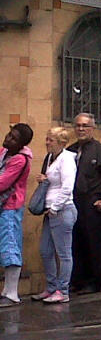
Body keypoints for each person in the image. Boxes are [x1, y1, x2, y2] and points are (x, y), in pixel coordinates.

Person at [68, 113, 101, 295]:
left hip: (93, 204)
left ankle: (93, 281)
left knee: (93, 244)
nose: (81, 129)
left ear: (92, 128)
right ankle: (77, 280)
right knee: (76, 243)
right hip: (74, 204)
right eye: (78, 125)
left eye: (85, 126)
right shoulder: (70, 151)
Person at [34, 127, 77, 304]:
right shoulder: (52, 158)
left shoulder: (66, 159)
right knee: (45, 250)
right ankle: (51, 287)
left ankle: (63, 290)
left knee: (64, 253)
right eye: (47, 138)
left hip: (62, 210)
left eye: (50, 139)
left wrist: (54, 207)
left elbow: (67, 187)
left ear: (61, 142)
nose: (47, 142)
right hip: (50, 211)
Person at [0, 124, 33, 307]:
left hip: (10, 207)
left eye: (13, 138)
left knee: (10, 244)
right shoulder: (5, 153)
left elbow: (3, 183)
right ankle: (6, 290)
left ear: (21, 143)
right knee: (4, 245)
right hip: (3, 206)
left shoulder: (20, 159)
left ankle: (12, 293)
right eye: (9, 134)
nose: (8, 139)